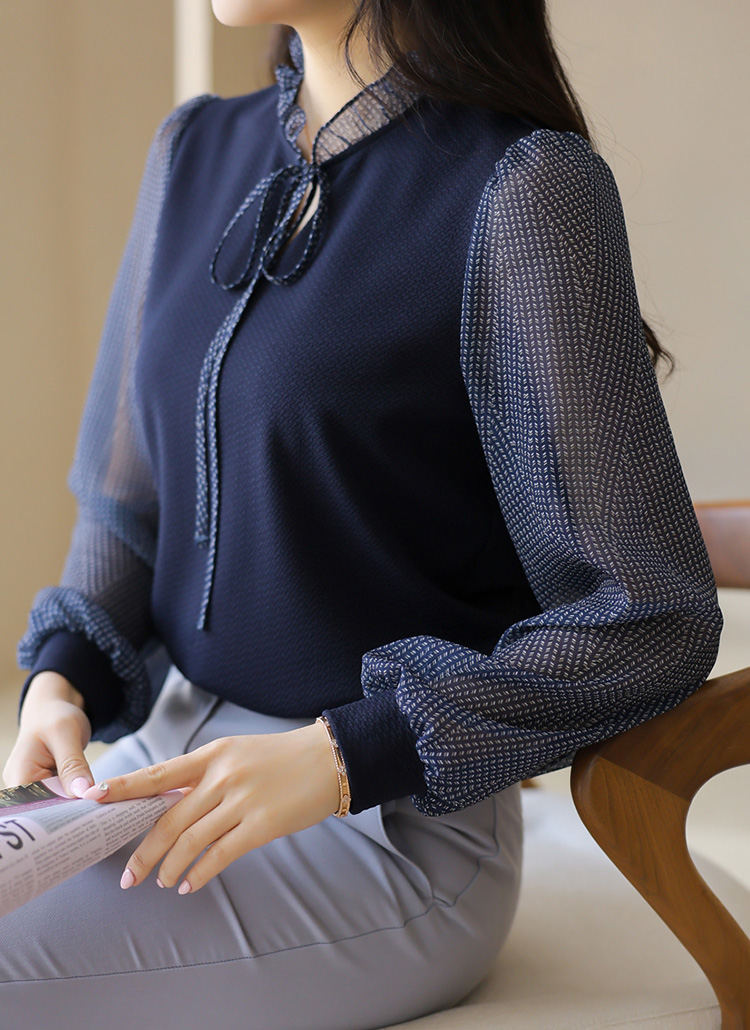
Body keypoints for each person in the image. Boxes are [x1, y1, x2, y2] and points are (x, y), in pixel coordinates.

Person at [1, 1, 723, 1028]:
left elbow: (651, 616)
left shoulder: (526, 188)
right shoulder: (193, 149)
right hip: (161, 762)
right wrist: (60, 680)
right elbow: (130, 502)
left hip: (388, 829)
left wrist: (346, 752)